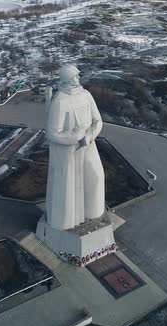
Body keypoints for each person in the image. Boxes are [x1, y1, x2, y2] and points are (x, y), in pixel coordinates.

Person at [45, 64, 105, 230]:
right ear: (67, 80)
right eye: (75, 77)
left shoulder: (86, 95)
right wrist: (75, 138)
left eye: (78, 76)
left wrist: (89, 136)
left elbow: (98, 120)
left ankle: (93, 214)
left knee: (96, 177)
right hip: (69, 152)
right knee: (68, 190)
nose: (78, 79)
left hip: (89, 144)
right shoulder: (60, 101)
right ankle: (68, 222)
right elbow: (52, 133)